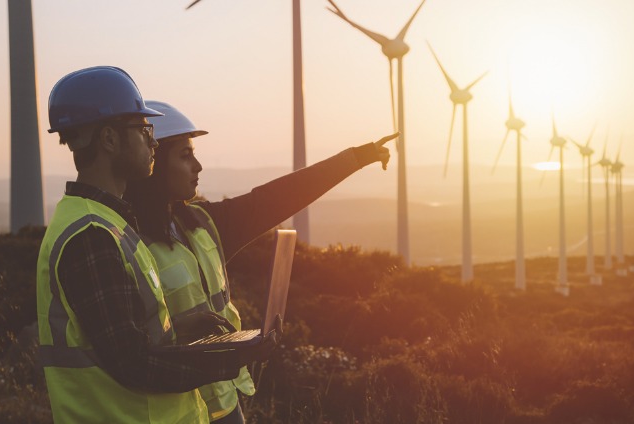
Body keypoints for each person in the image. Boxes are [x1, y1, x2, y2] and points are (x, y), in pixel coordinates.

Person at [123, 100, 397, 423]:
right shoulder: (128, 241)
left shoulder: (203, 224)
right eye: (185, 155)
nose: (198, 166)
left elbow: (277, 198)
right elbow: (132, 346)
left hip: (223, 401)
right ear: (154, 162)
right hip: (171, 410)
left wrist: (356, 158)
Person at [36, 66, 275, 424]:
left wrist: (182, 328)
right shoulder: (90, 237)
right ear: (109, 139)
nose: (153, 141)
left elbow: (124, 338)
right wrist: (232, 356)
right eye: (144, 129)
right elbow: (134, 365)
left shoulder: (109, 223)